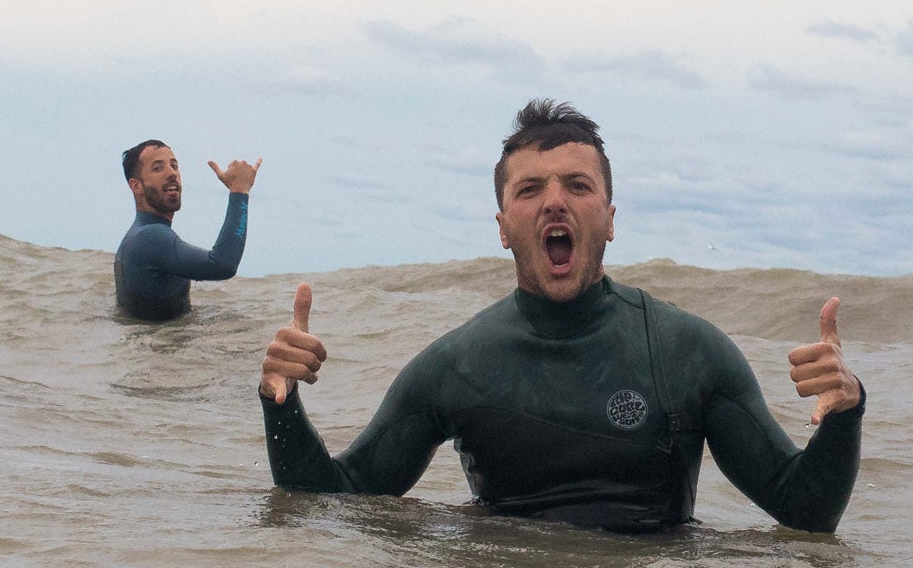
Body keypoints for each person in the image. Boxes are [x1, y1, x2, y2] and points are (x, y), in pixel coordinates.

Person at [257, 99, 863, 533]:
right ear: (502, 227)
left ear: (610, 216)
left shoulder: (688, 352)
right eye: (529, 190)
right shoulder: (455, 367)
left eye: (577, 184)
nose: (554, 200)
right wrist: (281, 404)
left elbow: (805, 512)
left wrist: (844, 414)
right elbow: (334, 500)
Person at [114, 140, 260, 321]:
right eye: (157, 168)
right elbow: (223, 265)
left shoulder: (138, 235)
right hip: (161, 347)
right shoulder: (150, 238)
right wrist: (240, 190)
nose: (172, 173)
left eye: (174, 166)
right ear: (137, 186)